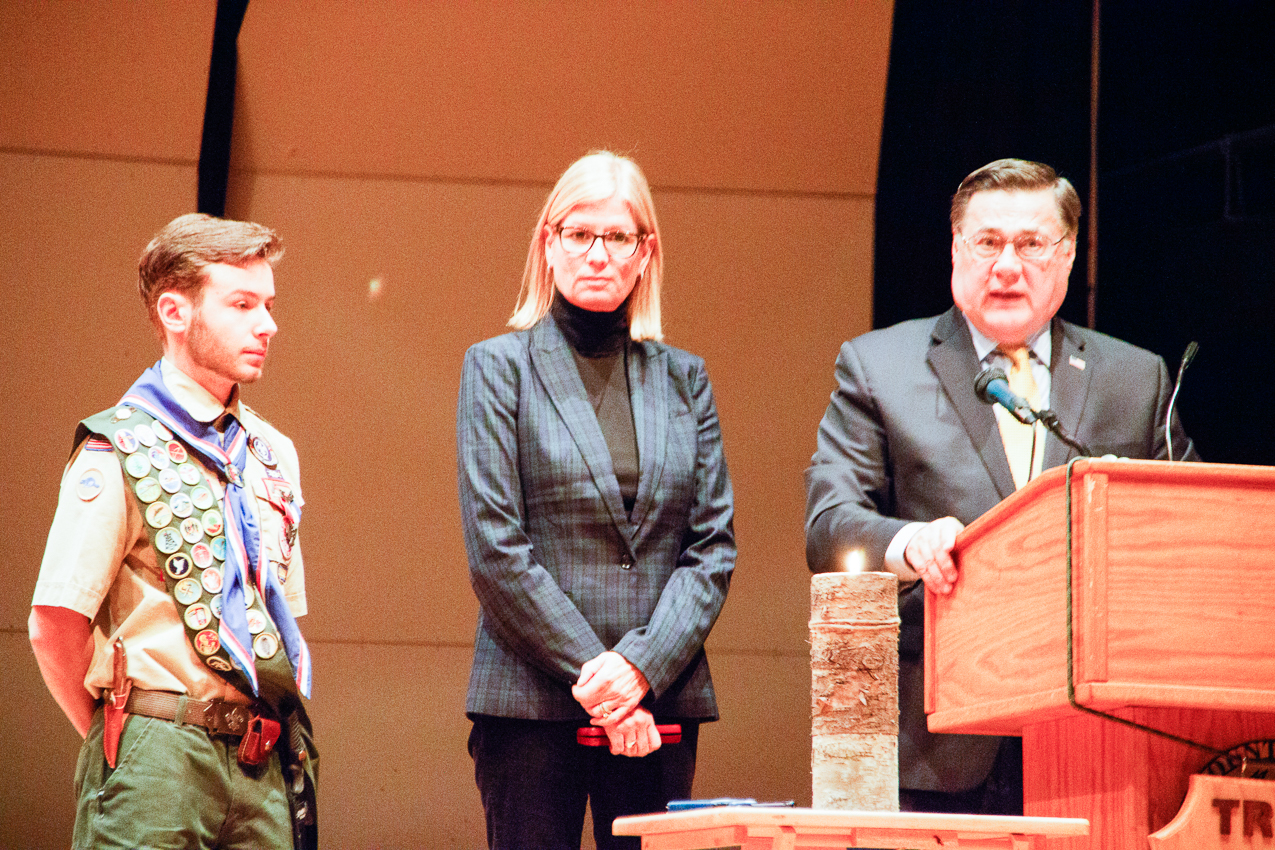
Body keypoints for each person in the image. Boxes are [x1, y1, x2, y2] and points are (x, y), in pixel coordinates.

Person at [804, 158, 1197, 815]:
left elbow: (1194, 537)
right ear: (955, 250)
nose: (1006, 266)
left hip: (1097, 744)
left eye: (1031, 244)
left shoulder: (1135, 379)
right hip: (937, 739)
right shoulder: (879, 367)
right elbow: (828, 525)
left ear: (1068, 256)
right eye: (986, 242)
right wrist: (910, 542)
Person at [457, 151, 736, 850]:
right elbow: (496, 549)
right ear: (548, 243)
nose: (598, 253)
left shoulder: (685, 378)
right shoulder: (497, 367)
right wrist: (601, 677)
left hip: (658, 699)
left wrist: (640, 667)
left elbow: (710, 549)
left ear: (646, 252)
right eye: (579, 234)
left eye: (617, 236)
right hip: (531, 702)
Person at [28, 213, 318, 850]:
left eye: (268, 304)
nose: (267, 324)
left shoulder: (272, 454)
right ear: (174, 312)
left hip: (264, 748)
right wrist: (124, 738)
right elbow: (54, 622)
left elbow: (281, 620)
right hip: (159, 743)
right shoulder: (120, 447)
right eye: (241, 304)